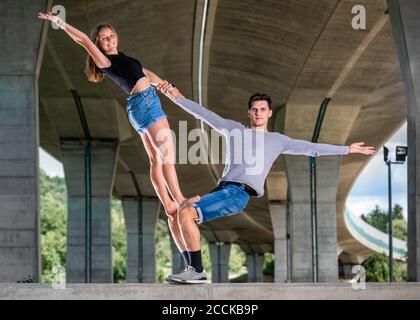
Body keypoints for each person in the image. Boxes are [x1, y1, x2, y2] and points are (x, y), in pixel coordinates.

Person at [157, 83, 376, 284]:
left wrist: (346, 149)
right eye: (254, 109)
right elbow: (204, 115)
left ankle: (196, 271)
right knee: (175, 215)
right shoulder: (235, 130)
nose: (258, 113)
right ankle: (192, 269)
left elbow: (311, 148)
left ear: (269, 113)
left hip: (238, 193)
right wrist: (175, 96)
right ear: (249, 112)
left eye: (263, 109)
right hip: (223, 190)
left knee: (186, 212)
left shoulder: (278, 140)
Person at [37, 12, 197, 269]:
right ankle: (179, 199)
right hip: (145, 104)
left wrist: (167, 86)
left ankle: (169, 203)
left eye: (111, 36)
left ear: (116, 37)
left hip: (141, 104)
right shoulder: (103, 61)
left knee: (157, 159)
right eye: (103, 39)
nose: (108, 41)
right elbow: (82, 42)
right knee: (168, 154)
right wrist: (60, 23)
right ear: (98, 44)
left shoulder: (123, 59)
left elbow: (146, 72)